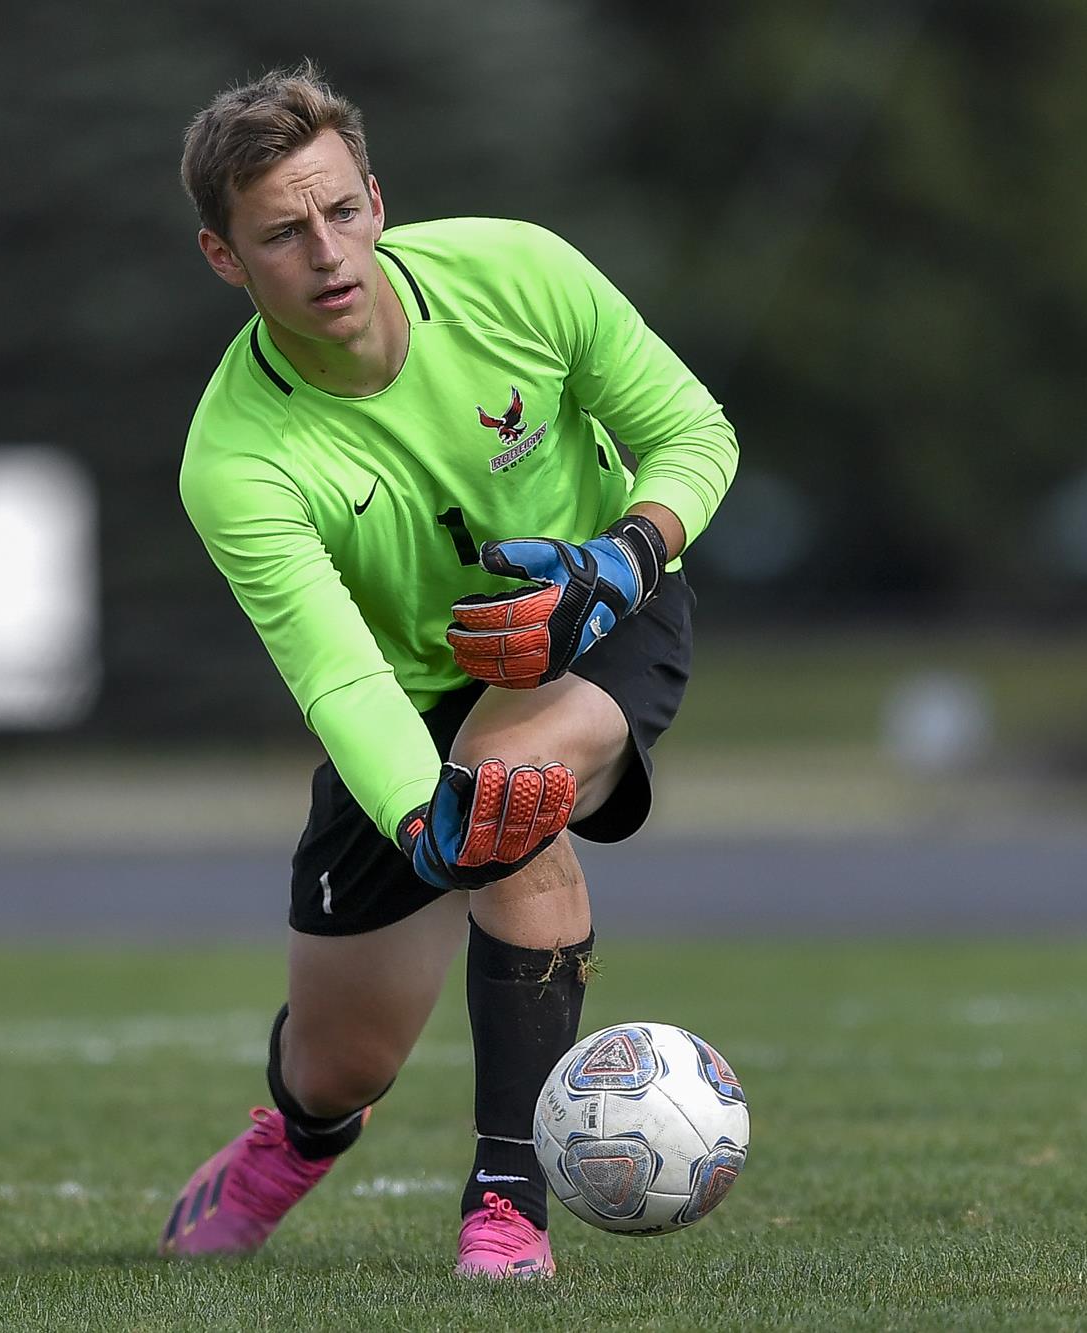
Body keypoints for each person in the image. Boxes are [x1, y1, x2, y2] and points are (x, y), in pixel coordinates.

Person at [160, 62, 737, 1280]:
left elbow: (694, 433)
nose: (325, 252)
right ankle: (301, 1133)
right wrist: (424, 823)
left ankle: (507, 1202)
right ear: (225, 259)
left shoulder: (516, 271)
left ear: (375, 193)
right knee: (339, 1062)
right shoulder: (235, 460)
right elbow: (338, 678)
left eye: (341, 211)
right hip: (409, 691)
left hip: (600, 617)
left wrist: (621, 558)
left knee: (508, 778)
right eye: (280, 231)